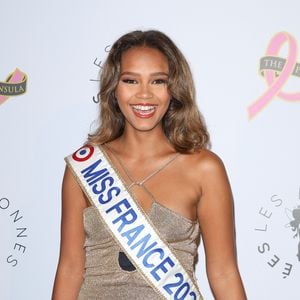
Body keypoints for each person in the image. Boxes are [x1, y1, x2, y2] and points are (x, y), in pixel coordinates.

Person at [52, 30, 246, 300]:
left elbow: (224, 273)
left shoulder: (204, 169)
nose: (144, 95)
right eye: (131, 80)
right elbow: (70, 269)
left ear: (174, 89)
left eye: (158, 81)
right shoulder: (84, 166)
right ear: (113, 88)